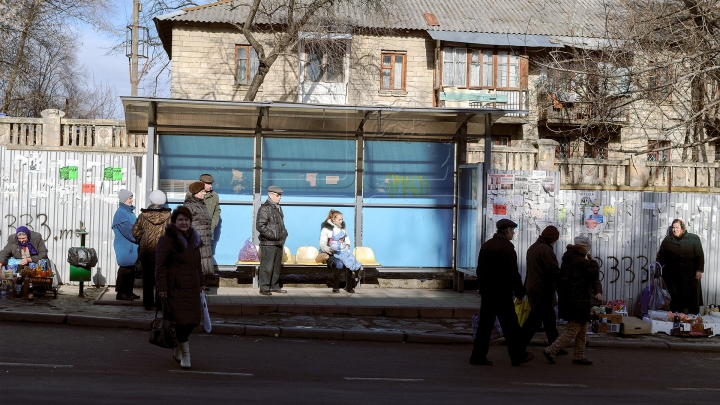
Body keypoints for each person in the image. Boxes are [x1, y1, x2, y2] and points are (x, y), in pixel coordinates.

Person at [469, 219, 533, 367]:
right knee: (511, 326)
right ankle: (518, 355)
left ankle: (477, 356)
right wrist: (519, 292)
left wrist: (482, 286)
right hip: (502, 293)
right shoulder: (507, 247)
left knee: (485, 326)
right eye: (513, 230)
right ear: (508, 230)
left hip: (488, 292)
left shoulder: (487, 245)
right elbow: (513, 273)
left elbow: (480, 270)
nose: (514, 233)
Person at [155, 206, 205, 369]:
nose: (184, 223)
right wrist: (162, 287)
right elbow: (160, 265)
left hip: (192, 288)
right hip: (175, 288)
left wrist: (202, 282)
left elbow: (198, 264)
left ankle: (177, 345)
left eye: (187, 220)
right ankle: (185, 354)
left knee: (192, 322)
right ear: (174, 222)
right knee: (182, 322)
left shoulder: (194, 240)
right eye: (181, 220)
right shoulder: (167, 240)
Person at [543, 235, 602, 366]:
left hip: (574, 299)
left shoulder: (568, 259)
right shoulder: (580, 261)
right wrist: (593, 262)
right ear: (584, 247)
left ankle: (579, 356)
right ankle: (550, 350)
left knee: (582, 328)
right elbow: (593, 274)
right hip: (578, 300)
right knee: (573, 329)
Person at [521, 226, 566, 354]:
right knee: (534, 320)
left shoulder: (534, 247)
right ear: (553, 239)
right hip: (542, 289)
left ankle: (555, 346)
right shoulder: (545, 250)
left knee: (549, 320)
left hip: (535, 287)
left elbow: (531, 271)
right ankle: (519, 346)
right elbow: (553, 271)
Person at [132, 190, 171, 311]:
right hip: (163, 251)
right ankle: (160, 304)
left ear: (151, 201)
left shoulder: (143, 216)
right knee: (161, 277)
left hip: (146, 251)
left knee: (147, 279)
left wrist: (142, 240)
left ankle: (147, 304)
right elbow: (172, 232)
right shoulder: (169, 216)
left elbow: (135, 231)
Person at [657, 218, 705, 314]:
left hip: (690, 276)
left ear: (682, 228)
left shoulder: (693, 238)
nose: (675, 230)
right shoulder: (668, 240)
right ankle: (677, 322)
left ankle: (693, 320)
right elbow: (660, 255)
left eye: (677, 227)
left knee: (692, 301)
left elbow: (700, 256)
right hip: (674, 277)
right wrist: (665, 268)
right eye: (673, 227)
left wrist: (699, 270)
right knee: (675, 301)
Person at [256, 185, 288, 296]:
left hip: (278, 242)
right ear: (270, 195)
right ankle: (264, 287)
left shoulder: (277, 207)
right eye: (277, 195)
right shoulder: (265, 208)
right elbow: (260, 226)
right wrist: (273, 236)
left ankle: (274, 286)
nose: (280, 197)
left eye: (280, 195)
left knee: (276, 266)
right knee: (267, 266)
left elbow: (280, 225)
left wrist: (284, 234)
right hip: (269, 242)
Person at [319, 209, 357, 293]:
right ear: (333, 219)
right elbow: (322, 244)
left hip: (342, 253)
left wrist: (347, 245)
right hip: (331, 254)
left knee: (349, 262)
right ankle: (335, 286)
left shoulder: (343, 229)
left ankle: (349, 287)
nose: (341, 221)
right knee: (339, 264)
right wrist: (329, 249)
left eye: (342, 219)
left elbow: (347, 239)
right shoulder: (326, 229)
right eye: (339, 219)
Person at [112, 189, 139, 301]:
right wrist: (140, 238)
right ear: (124, 200)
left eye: (131, 198)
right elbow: (130, 232)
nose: (131, 200)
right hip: (125, 246)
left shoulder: (128, 212)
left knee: (131, 269)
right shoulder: (121, 214)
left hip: (131, 246)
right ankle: (121, 293)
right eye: (129, 198)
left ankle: (128, 292)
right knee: (125, 269)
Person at [183, 181, 214, 276]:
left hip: (204, 241)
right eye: (202, 192)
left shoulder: (202, 204)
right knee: (196, 268)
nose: (205, 193)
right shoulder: (189, 206)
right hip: (195, 242)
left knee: (202, 269)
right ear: (197, 192)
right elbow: (184, 225)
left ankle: (201, 287)